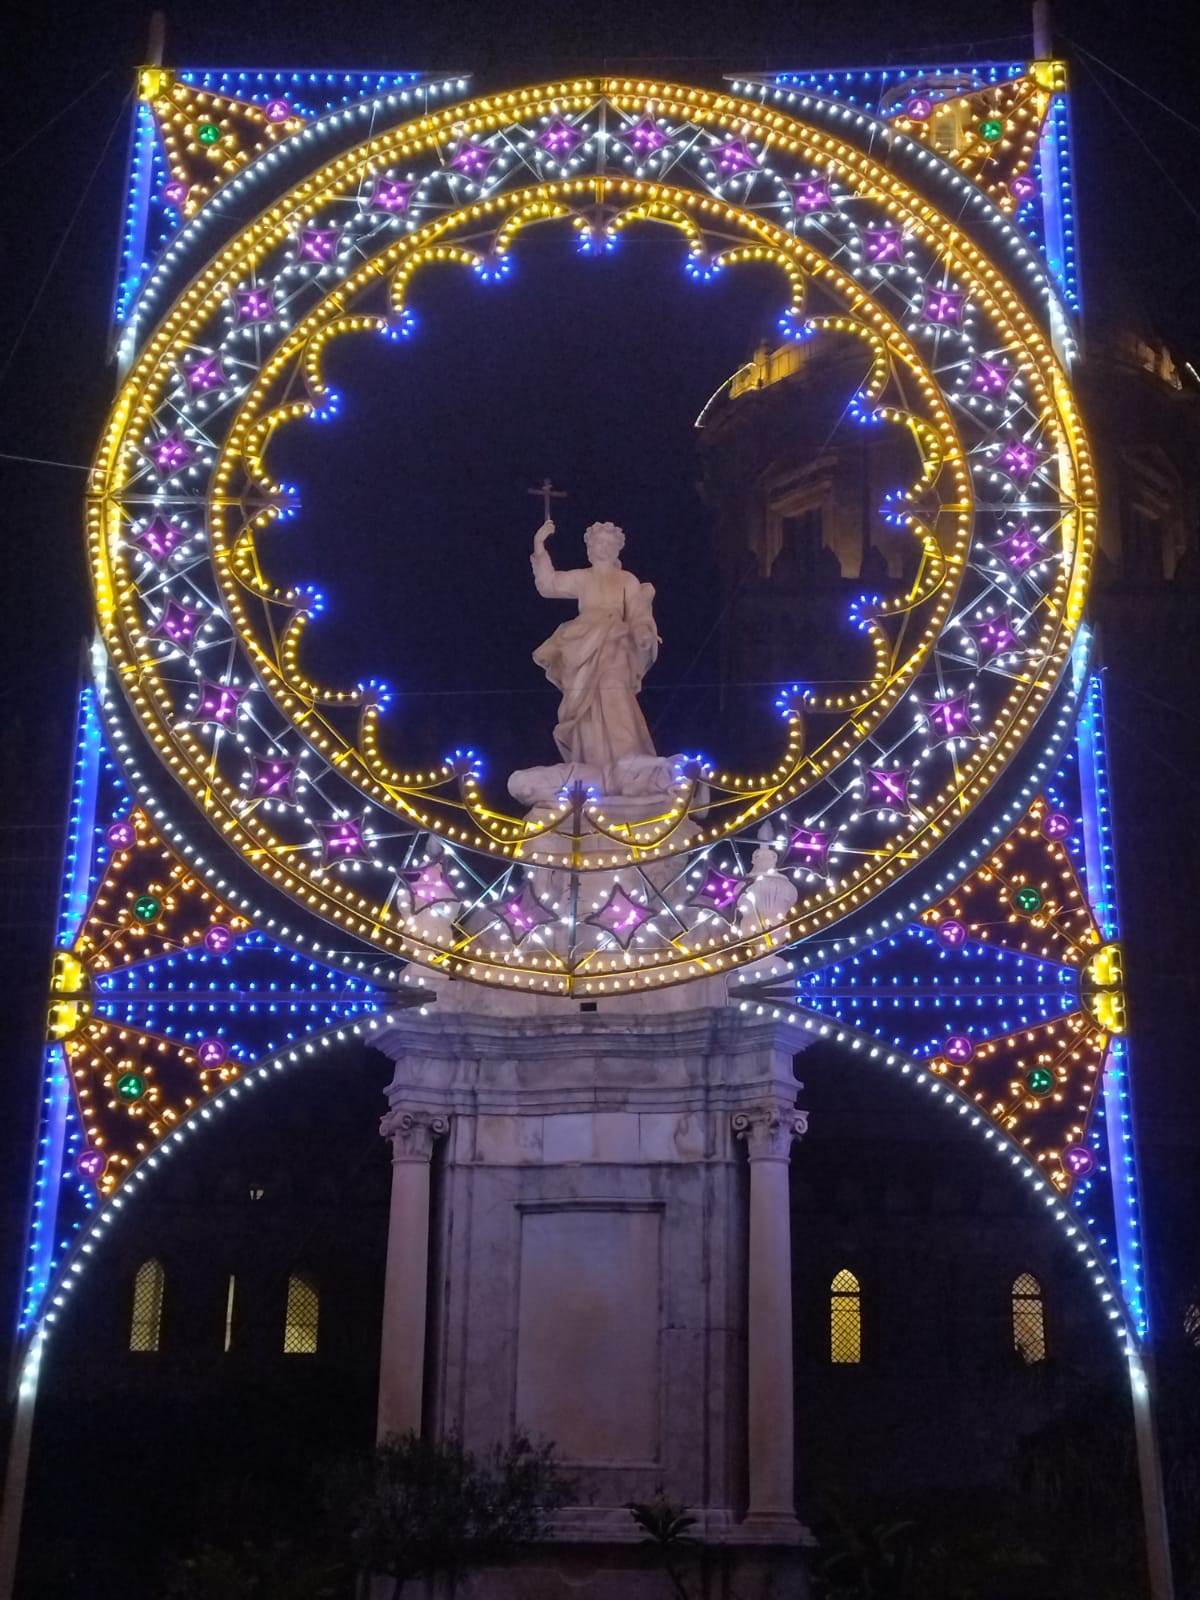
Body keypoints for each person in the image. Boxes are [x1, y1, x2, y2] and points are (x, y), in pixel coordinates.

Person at [530, 519, 660, 785]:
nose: (602, 547)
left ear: (617, 548)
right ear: (589, 548)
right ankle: (593, 763)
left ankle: (626, 757)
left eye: (608, 543)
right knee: (584, 709)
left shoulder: (626, 580)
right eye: (597, 542)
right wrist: (539, 544)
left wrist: (643, 632)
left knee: (615, 694)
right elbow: (549, 585)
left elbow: (638, 611)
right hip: (581, 646)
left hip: (614, 644)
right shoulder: (583, 577)